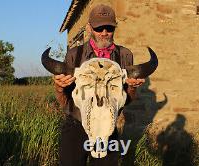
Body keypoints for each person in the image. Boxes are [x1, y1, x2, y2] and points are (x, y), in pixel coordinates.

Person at [54, 4, 145, 166]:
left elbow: (127, 99)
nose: (104, 32)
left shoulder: (124, 55)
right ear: (89, 27)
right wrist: (60, 87)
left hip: (107, 125)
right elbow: (66, 100)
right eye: (99, 28)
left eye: (109, 28)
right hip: (76, 125)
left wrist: (132, 87)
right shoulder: (74, 55)